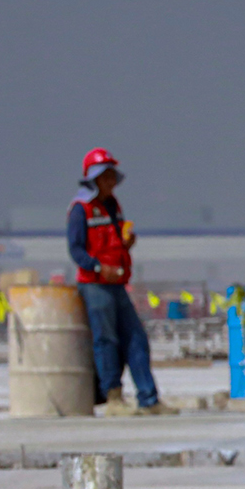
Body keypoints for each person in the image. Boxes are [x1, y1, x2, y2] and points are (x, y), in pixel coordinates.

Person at [67, 148, 169, 415]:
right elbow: (76, 250)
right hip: (95, 284)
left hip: (117, 283)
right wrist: (99, 267)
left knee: (136, 338)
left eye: (113, 177)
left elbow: (113, 242)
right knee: (106, 340)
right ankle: (113, 398)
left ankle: (149, 399)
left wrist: (127, 245)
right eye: (106, 177)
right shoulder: (81, 210)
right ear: (94, 179)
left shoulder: (113, 206)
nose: (111, 182)